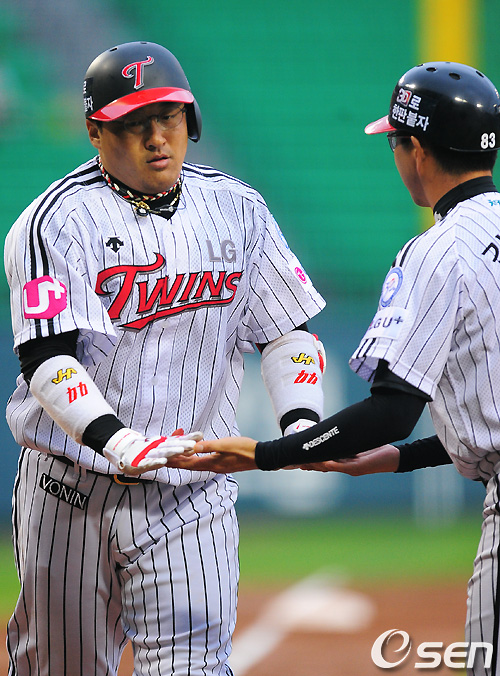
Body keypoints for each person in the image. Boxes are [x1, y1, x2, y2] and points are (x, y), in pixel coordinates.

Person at [3, 41, 327, 676]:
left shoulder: (238, 209)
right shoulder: (53, 222)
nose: (157, 138)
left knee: (193, 665)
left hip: (191, 493)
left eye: (168, 117)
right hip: (69, 490)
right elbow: (45, 359)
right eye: (134, 123)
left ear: (190, 119)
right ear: (96, 131)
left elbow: (287, 331)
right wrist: (119, 441)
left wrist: (301, 423)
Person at [168, 61, 500, 674]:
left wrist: (266, 454)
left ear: (417, 150)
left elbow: (393, 409)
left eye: (395, 142)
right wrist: (395, 459)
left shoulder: (438, 251)